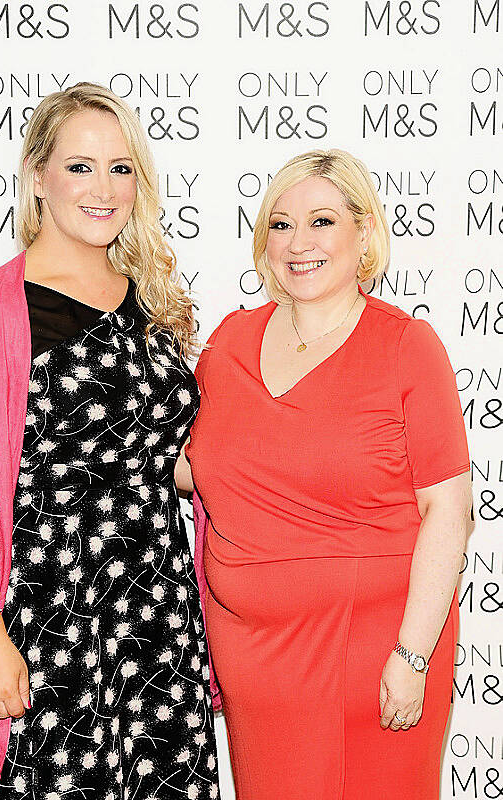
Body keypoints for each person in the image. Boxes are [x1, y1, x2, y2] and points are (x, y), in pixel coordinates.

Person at [0, 82, 218, 800]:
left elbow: (169, 463)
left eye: (121, 168)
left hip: (153, 613)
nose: (103, 188)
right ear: (37, 176)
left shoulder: (150, 297)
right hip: (45, 614)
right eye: (80, 166)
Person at [179, 149, 472, 800]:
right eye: (280, 225)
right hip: (256, 663)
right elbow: (185, 466)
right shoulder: (228, 342)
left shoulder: (406, 348)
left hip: (375, 654)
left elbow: (448, 512)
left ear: (363, 232)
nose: (299, 242)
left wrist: (412, 655)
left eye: (322, 221)